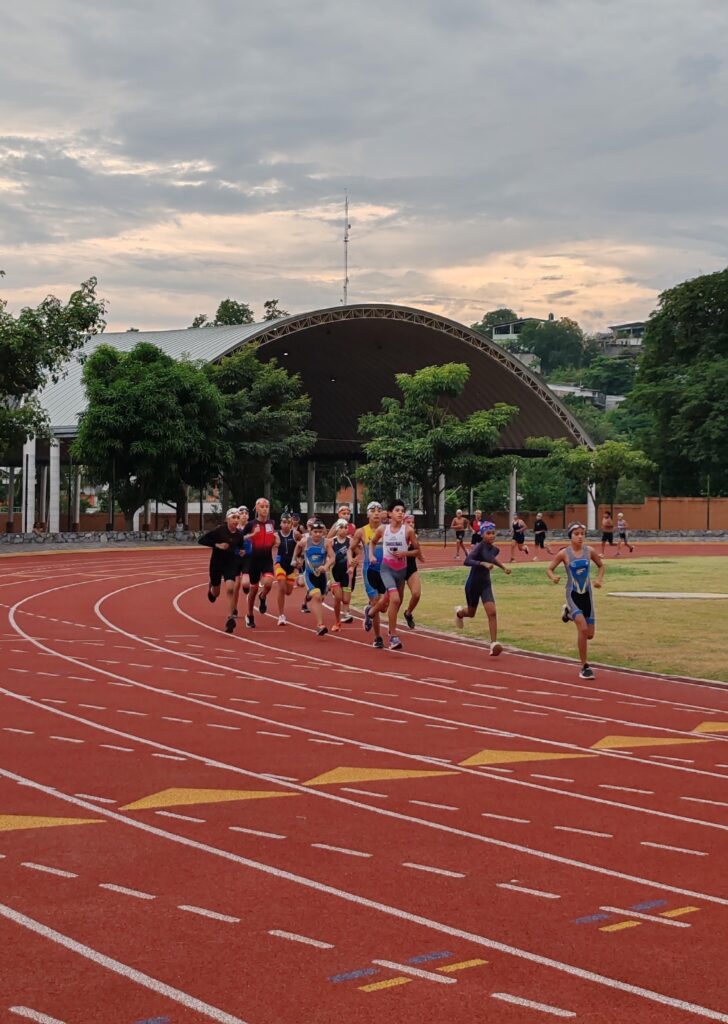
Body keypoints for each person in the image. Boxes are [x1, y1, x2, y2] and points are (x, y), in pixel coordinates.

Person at [547, 521, 605, 680]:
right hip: (572, 594)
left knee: (590, 635)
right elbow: (549, 569)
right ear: (570, 536)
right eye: (576, 534)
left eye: (582, 534)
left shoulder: (589, 551)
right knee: (583, 629)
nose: (580, 537)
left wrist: (599, 579)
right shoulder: (564, 553)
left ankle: (568, 614)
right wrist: (553, 577)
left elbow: (601, 566)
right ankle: (585, 667)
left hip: (587, 595)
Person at [367, 499, 420, 650]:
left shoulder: (408, 531)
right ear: (390, 513)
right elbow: (372, 542)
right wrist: (371, 555)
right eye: (397, 510)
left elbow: (417, 550)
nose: (400, 513)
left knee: (391, 601)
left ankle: (370, 612)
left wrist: (405, 553)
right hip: (387, 569)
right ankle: (393, 636)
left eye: (402, 511)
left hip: (401, 570)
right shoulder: (383, 529)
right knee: (395, 600)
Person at [454, 521, 511, 655]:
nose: (491, 535)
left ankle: (493, 644)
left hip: (485, 584)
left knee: (492, 612)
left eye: (493, 533)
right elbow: (467, 561)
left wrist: (503, 567)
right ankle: (459, 613)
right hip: (473, 585)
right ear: (482, 534)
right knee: (471, 613)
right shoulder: (478, 547)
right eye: (488, 533)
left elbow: (491, 558)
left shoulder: (495, 550)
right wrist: (482, 563)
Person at [198, 508, 243, 633]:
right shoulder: (219, 530)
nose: (236, 520)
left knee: (230, 588)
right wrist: (217, 545)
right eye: (233, 517)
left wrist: (241, 552)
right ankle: (212, 588)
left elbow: (240, 547)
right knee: (216, 594)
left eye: (237, 518)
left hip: (230, 564)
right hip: (217, 564)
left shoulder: (239, 535)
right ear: (227, 519)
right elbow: (201, 540)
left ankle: (230, 618)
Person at [350, 501, 386, 649]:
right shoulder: (361, 532)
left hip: (385, 571)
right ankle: (378, 637)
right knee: (376, 601)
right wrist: (352, 559)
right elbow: (351, 548)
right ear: (367, 514)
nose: (376, 512)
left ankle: (368, 611)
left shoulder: (388, 530)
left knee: (383, 607)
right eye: (373, 510)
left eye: (379, 510)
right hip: (369, 571)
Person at [241, 497, 277, 628]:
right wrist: (252, 535)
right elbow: (240, 538)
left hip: (266, 558)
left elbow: (272, 536)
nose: (265, 509)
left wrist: (276, 540)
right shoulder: (251, 524)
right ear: (256, 508)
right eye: (262, 507)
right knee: (253, 589)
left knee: (268, 583)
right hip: (253, 561)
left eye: (267, 507)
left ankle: (263, 596)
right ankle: (249, 615)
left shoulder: (272, 523)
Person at [293, 520, 332, 635]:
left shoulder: (326, 543)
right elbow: (297, 546)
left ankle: (308, 596)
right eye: (315, 532)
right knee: (317, 597)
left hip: (322, 576)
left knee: (320, 598)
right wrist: (295, 559)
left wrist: (326, 566)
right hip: (309, 575)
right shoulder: (305, 541)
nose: (318, 534)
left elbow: (333, 557)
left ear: (323, 532)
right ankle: (320, 625)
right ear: (311, 532)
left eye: (320, 532)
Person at [327, 518, 354, 631]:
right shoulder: (331, 542)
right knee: (338, 597)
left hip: (346, 573)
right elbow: (329, 556)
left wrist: (352, 566)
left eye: (346, 527)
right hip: (335, 572)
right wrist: (326, 566)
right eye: (341, 527)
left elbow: (358, 554)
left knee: (346, 600)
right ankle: (337, 622)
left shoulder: (351, 541)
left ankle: (331, 586)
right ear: (337, 529)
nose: (344, 530)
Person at [273, 513, 298, 625]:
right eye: (284, 522)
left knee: (288, 592)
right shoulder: (276, 535)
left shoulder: (295, 534)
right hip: (280, 564)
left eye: (288, 522)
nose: (286, 525)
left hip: (291, 566)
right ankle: (281, 615)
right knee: (281, 587)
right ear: (280, 523)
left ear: (291, 524)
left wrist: (300, 559)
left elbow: (303, 545)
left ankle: (281, 615)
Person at [403, 512, 424, 629]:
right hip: (398, 569)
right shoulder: (396, 535)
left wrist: (420, 556)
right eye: (408, 522)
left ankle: (408, 613)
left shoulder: (414, 536)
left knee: (416, 594)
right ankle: (392, 627)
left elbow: (417, 548)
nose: (411, 524)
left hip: (411, 568)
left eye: (412, 522)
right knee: (396, 600)